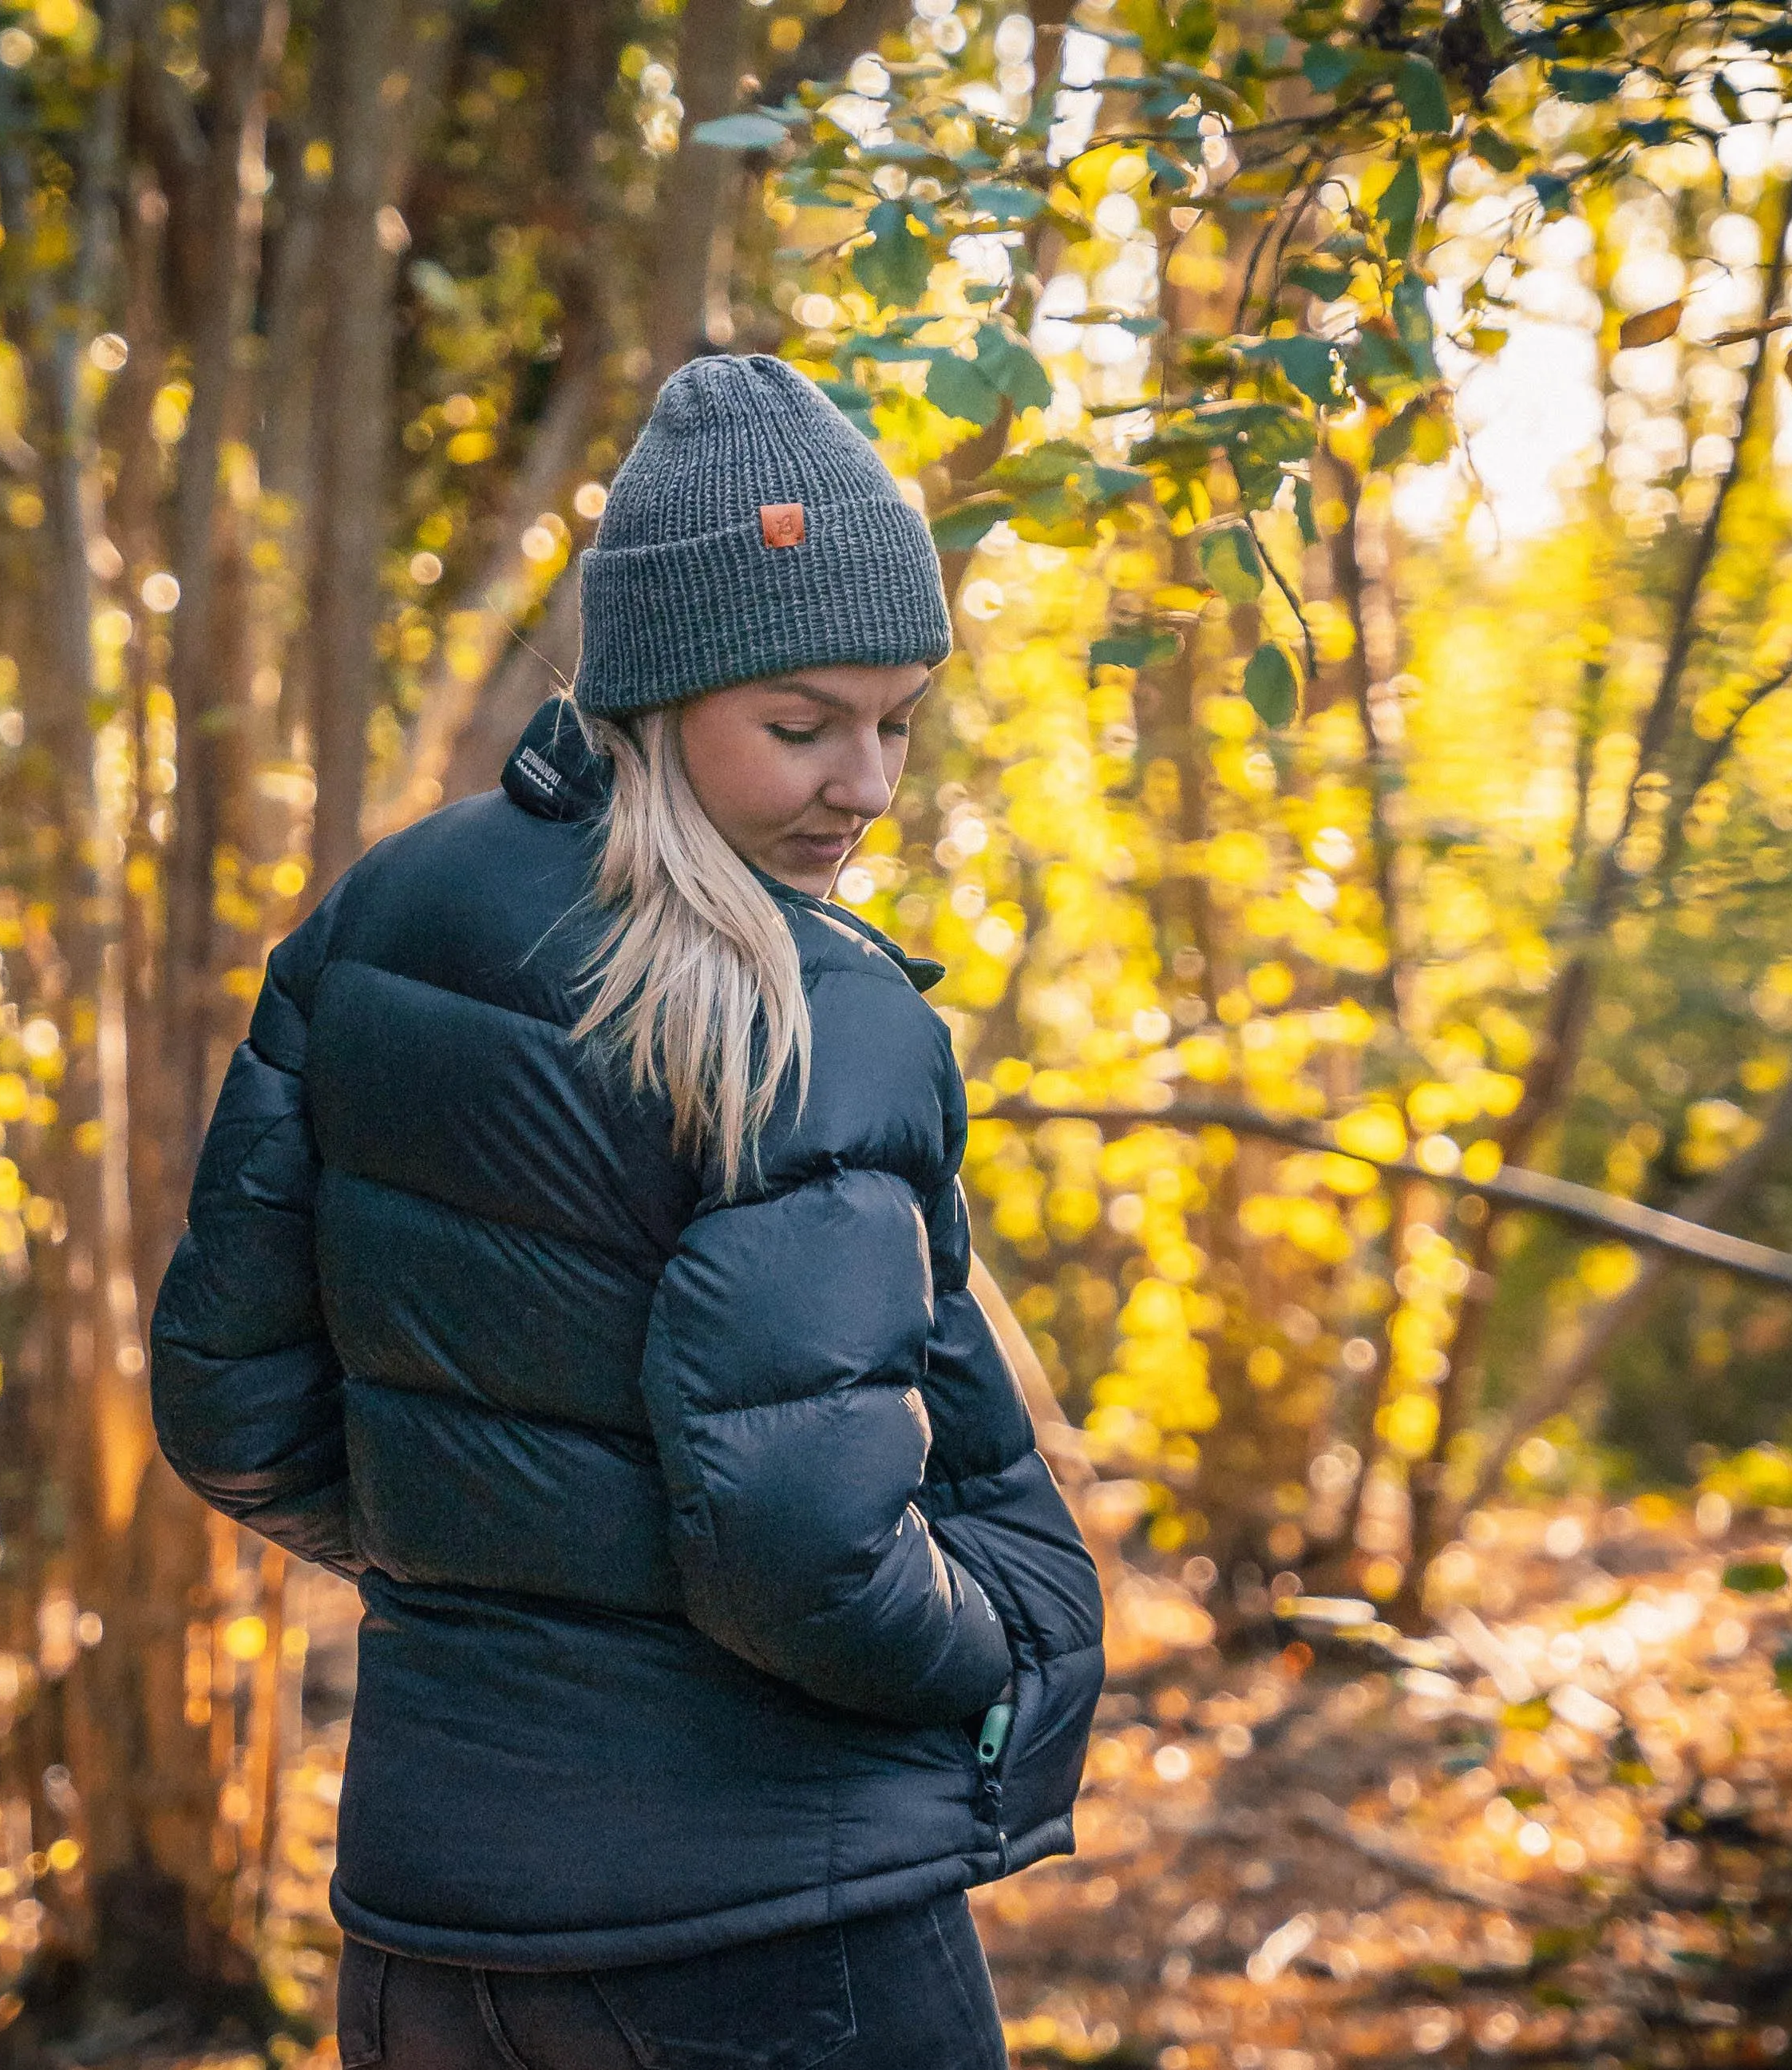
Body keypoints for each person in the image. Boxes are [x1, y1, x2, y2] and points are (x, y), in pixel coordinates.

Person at [150, 356, 1106, 2070]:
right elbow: (807, 1554)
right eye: (801, 725)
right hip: (760, 1933)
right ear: (656, 697)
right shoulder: (809, 1013)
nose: (866, 787)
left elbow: (232, 1402)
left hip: (426, 1938)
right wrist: (1012, 1645)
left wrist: (499, 1562)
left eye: (896, 724)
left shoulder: (382, 913)